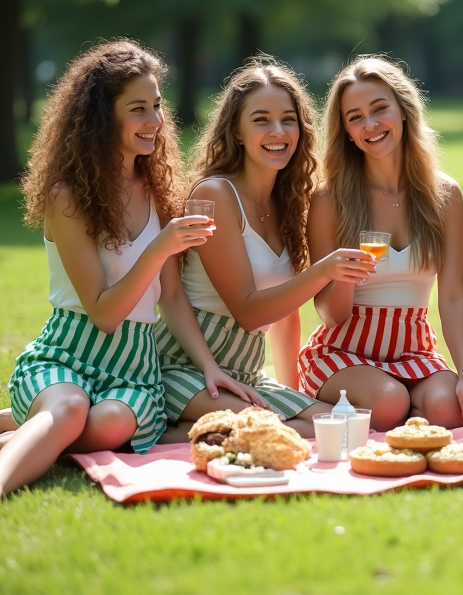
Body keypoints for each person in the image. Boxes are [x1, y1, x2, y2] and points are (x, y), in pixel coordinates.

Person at [0, 40, 224, 515]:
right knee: (70, 408)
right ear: (100, 116)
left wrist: (209, 366)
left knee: (112, 423)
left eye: (157, 105)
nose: (155, 120)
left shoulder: (158, 191)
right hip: (69, 350)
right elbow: (104, 310)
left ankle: (7, 434)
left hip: (133, 367)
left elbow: (171, 299)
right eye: (138, 109)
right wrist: (159, 248)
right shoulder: (67, 197)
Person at [154, 56, 374, 439]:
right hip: (183, 368)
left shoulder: (288, 202)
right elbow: (250, 313)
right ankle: (152, 431)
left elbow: (285, 315)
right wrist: (323, 271)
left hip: (244, 372)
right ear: (236, 131)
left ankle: (191, 430)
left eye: (288, 119)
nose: (278, 131)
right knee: (272, 431)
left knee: (339, 425)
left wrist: (295, 391)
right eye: (261, 120)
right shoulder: (216, 194)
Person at [297, 56, 463, 431]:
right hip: (342, 352)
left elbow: (452, 297)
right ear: (347, 131)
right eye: (355, 117)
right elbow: (331, 315)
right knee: (388, 401)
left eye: (380, 109)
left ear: (403, 111)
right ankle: (391, 416)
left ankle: (402, 417)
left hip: (413, 350)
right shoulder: (329, 200)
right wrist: (346, 275)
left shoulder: (445, 194)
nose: (370, 125)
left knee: (453, 411)